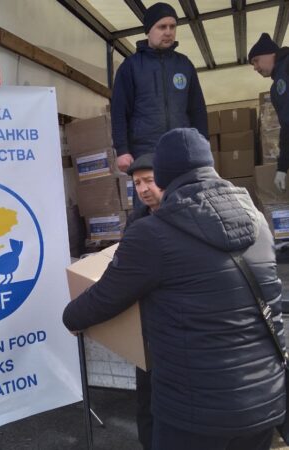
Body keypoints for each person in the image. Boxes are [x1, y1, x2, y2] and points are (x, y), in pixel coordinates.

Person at [63, 128, 285, 450]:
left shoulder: (153, 233)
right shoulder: (259, 221)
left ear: (164, 177)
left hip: (195, 411)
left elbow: (105, 297)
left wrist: (71, 317)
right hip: (265, 400)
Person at [111, 2, 208, 173]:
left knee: (184, 191)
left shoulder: (184, 64)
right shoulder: (131, 66)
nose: (168, 32)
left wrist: (203, 144)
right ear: (149, 30)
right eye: (162, 27)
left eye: (172, 26)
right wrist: (122, 150)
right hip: (145, 151)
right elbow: (119, 111)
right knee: (150, 191)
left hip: (182, 149)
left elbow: (197, 110)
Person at [125, 153, 163, 450]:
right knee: (146, 396)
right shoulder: (136, 221)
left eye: (149, 180)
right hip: (145, 324)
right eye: (137, 183)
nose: (143, 189)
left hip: (175, 324)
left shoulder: (183, 215)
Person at [248, 32, 289, 191]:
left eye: (256, 61)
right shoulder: (274, 89)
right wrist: (282, 167)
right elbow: (286, 128)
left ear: (270, 54)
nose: (255, 68)